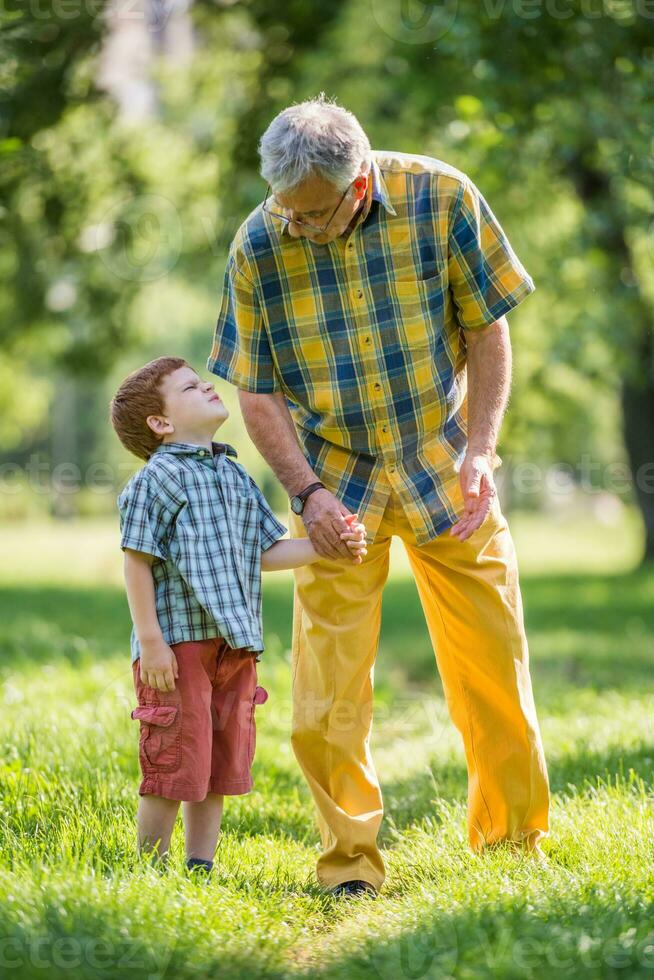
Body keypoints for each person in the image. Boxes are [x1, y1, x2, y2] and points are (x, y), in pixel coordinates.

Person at [206, 95, 550, 898]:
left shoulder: (443, 197)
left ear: (357, 185)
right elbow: (256, 393)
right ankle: (349, 865)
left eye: (314, 215)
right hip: (338, 484)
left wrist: (482, 448)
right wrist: (309, 493)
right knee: (325, 697)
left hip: (443, 470)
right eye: (287, 212)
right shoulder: (261, 241)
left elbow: (487, 329)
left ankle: (511, 848)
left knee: (494, 672)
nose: (299, 228)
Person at [109, 355, 367, 876]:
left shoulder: (233, 474)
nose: (207, 386)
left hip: (233, 648)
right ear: (161, 423)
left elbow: (266, 551)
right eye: (189, 387)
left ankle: (199, 866)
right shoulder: (156, 481)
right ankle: (149, 872)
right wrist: (151, 641)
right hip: (178, 646)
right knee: (174, 761)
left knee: (217, 764)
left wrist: (325, 548)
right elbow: (136, 563)